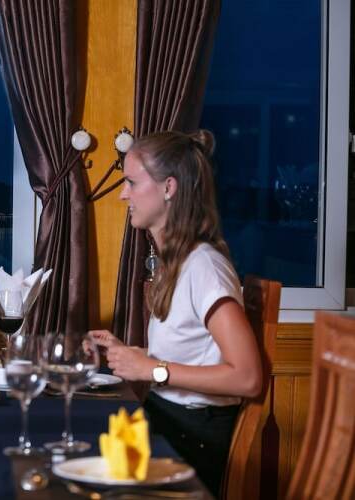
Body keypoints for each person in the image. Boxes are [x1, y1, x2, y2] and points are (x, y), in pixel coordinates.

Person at [90, 129, 262, 496]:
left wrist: (152, 369)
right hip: (167, 420)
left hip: (191, 440)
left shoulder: (205, 267)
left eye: (132, 182)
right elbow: (192, 352)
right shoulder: (177, 262)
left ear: (169, 188)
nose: (123, 194)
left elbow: (248, 378)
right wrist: (135, 356)